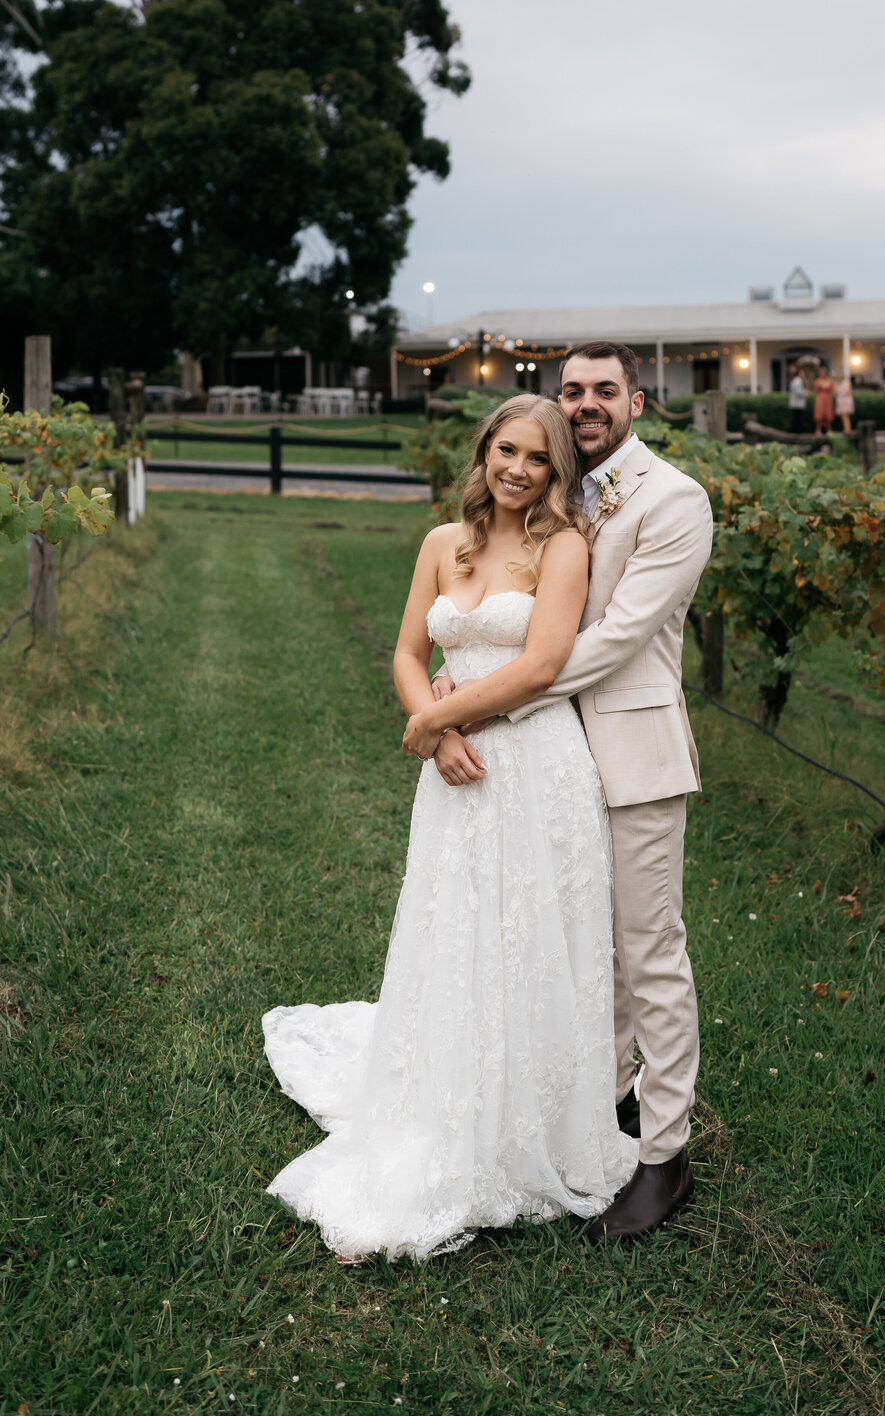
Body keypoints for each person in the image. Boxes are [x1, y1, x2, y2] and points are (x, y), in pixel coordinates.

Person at [261, 394, 638, 1261]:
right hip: (457, 766)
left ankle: (527, 1124)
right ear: (485, 452)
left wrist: (442, 720)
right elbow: (406, 654)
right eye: (506, 450)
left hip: (534, 762)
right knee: (455, 928)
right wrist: (433, 732)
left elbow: (543, 664)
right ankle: (439, 1098)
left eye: (537, 460)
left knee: (528, 936)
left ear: (556, 473)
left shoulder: (564, 549)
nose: (517, 469)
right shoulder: (442, 543)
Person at [435, 343, 713, 1242]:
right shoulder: (566, 495)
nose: (585, 405)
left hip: (629, 753)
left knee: (648, 950)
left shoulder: (674, 501)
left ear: (637, 399)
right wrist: (461, 674)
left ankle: (665, 1159)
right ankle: (609, 1104)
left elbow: (613, 641)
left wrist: (488, 698)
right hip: (552, 762)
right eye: (572, 392)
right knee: (581, 942)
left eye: (604, 391)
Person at [812, 367, 836, 437]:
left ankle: (829, 430)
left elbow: (833, 389)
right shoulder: (817, 381)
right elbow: (815, 389)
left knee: (828, 413)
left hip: (827, 398)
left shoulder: (830, 380)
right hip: (820, 398)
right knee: (819, 413)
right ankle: (818, 430)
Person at [788, 367, 808, 434]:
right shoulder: (798, 381)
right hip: (797, 404)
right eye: (802, 373)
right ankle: (797, 432)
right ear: (799, 374)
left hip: (796, 404)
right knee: (797, 419)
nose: (803, 375)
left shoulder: (796, 380)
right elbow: (798, 392)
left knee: (796, 418)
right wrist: (805, 393)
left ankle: (795, 431)